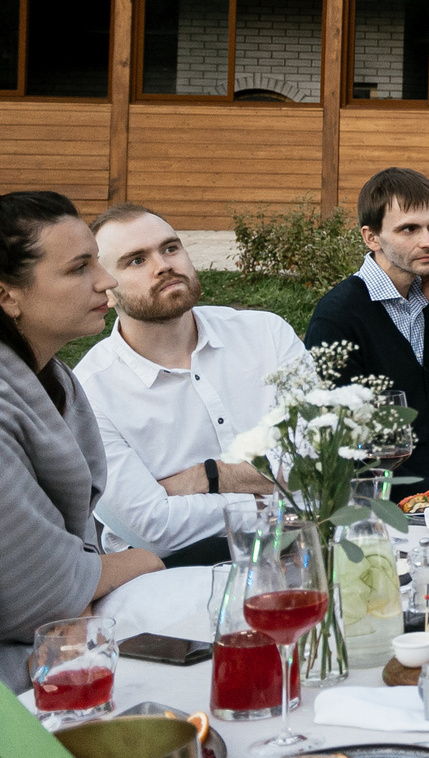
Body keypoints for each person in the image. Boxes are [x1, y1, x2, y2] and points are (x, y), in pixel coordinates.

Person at [0, 192, 163, 689]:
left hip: (68, 632)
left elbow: (67, 578)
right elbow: (36, 592)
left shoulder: (55, 379)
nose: (106, 280)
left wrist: (84, 586)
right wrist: (137, 560)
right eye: (78, 269)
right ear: (8, 296)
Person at [74, 206, 295, 564]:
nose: (163, 265)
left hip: (303, 554)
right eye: (135, 261)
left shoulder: (267, 334)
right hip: (172, 577)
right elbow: (151, 529)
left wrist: (206, 477)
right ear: (106, 291)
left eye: (170, 248)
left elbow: (327, 468)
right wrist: (271, 496)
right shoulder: (89, 392)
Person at [306, 168, 429, 494]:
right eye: (408, 230)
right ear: (372, 238)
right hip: (392, 506)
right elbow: (343, 448)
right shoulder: (339, 319)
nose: (428, 241)